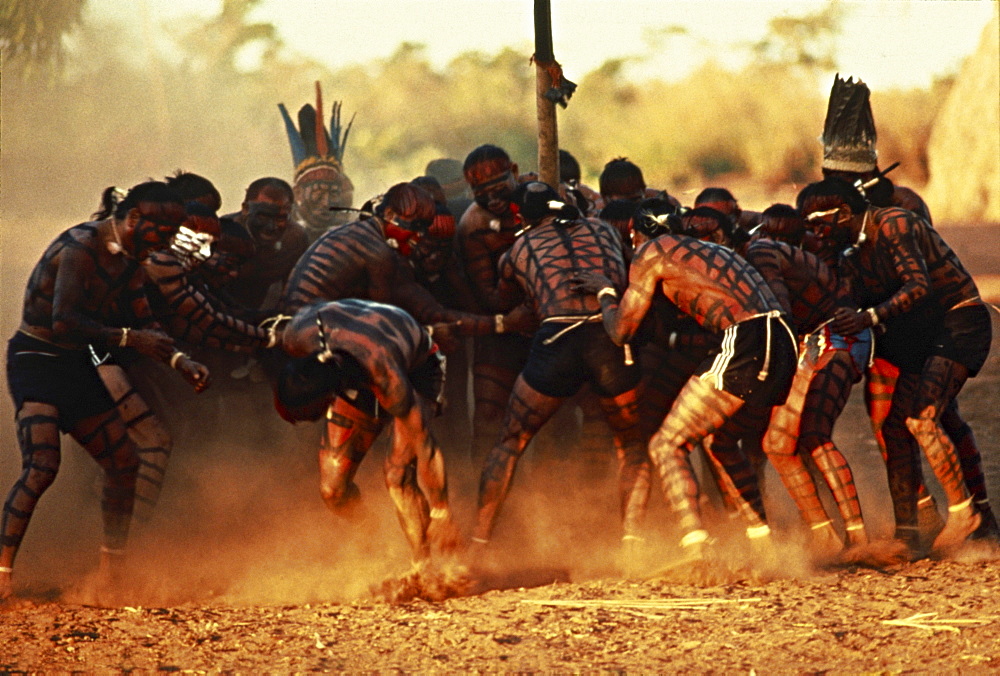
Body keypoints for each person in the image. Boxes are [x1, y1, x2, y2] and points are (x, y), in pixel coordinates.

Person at [1, 181, 208, 601]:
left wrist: (179, 361)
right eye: (162, 233)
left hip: (76, 366)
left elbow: (144, 320)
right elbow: (65, 322)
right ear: (134, 219)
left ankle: (112, 574)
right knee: (43, 464)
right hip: (37, 361)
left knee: (124, 463)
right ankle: (3, 573)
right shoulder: (80, 247)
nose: (166, 242)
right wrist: (132, 340)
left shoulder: (131, 260)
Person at [572, 222, 797, 562]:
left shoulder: (651, 252)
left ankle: (696, 547)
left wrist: (605, 293)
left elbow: (621, 332)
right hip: (783, 339)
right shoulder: (707, 251)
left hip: (747, 339)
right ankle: (764, 544)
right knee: (718, 442)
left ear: (635, 234)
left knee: (666, 444)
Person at [801, 176, 995, 554]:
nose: (817, 234)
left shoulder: (894, 223)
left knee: (922, 419)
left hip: (959, 322)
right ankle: (910, 531)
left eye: (819, 224)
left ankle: (965, 514)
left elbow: (918, 285)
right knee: (895, 429)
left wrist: (868, 318)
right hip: (920, 334)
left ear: (844, 213)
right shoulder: (850, 254)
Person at [470, 182, 647, 555]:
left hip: (557, 339)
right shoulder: (604, 231)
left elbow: (506, 303)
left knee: (511, 441)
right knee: (630, 443)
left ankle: (478, 545)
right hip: (609, 335)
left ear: (520, 216)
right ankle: (633, 545)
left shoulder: (518, 250)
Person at [274, 299, 461, 561]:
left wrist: (441, 510)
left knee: (397, 474)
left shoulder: (389, 380)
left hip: (417, 372)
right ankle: (370, 533)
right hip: (360, 364)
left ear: (328, 397)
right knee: (333, 490)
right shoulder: (296, 336)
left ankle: (423, 567)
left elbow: (424, 445)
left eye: (309, 416)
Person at [743, 204, 875, 558]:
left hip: (834, 340)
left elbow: (780, 312)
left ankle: (860, 539)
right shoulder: (782, 248)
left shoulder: (764, 251)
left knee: (814, 434)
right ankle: (825, 535)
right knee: (777, 443)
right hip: (814, 341)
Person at [455, 145, 540, 466]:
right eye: (481, 192)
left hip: (554, 324)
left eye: (499, 188)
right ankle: (482, 493)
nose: (492, 199)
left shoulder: (543, 197)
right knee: (489, 414)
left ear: (515, 173)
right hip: (504, 326)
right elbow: (486, 295)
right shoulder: (473, 226)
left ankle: (574, 494)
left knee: (563, 412)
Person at [279, 82, 356, 242]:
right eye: (318, 194)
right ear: (298, 193)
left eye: (333, 193)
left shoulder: (352, 231)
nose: (327, 202)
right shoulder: (278, 231)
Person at [222, 177, 307, 314]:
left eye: (280, 218)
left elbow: (294, 292)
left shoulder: (294, 239)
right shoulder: (223, 233)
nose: (271, 227)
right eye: (263, 216)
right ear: (246, 209)